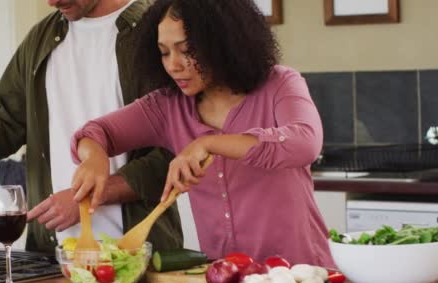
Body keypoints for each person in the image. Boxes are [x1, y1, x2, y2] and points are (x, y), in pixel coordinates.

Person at [71, 0, 336, 267]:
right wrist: (94, 157)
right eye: (164, 52)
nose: (173, 65)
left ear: (223, 43)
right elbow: (95, 132)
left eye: (186, 50)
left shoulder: (279, 84)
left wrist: (209, 143)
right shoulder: (167, 106)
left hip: (304, 278)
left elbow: (306, 143)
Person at [0, 0, 184, 253]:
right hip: (50, 260)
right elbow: (8, 120)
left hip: (140, 255)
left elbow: (178, 150)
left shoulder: (157, 32)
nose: (52, 2)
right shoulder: (41, 39)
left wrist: (87, 198)